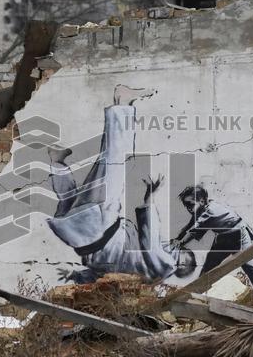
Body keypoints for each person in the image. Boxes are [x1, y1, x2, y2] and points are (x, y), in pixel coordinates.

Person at [47, 85, 197, 284]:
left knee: (116, 160)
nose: (175, 245)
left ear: (181, 264)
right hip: (75, 238)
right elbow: (101, 277)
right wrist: (76, 276)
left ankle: (122, 103)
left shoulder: (167, 265)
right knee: (71, 202)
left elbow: (150, 240)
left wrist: (149, 199)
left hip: (102, 226)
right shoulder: (140, 276)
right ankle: (57, 162)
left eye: (181, 250)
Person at [171, 185, 253, 293]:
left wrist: (181, 242)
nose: (189, 209)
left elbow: (193, 231)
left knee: (248, 264)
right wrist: (178, 238)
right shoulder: (202, 209)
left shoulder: (209, 212)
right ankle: (198, 291)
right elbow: (189, 225)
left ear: (202, 201)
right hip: (223, 237)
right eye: (186, 206)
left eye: (191, 205)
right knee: (210, 264)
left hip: (238, 234)